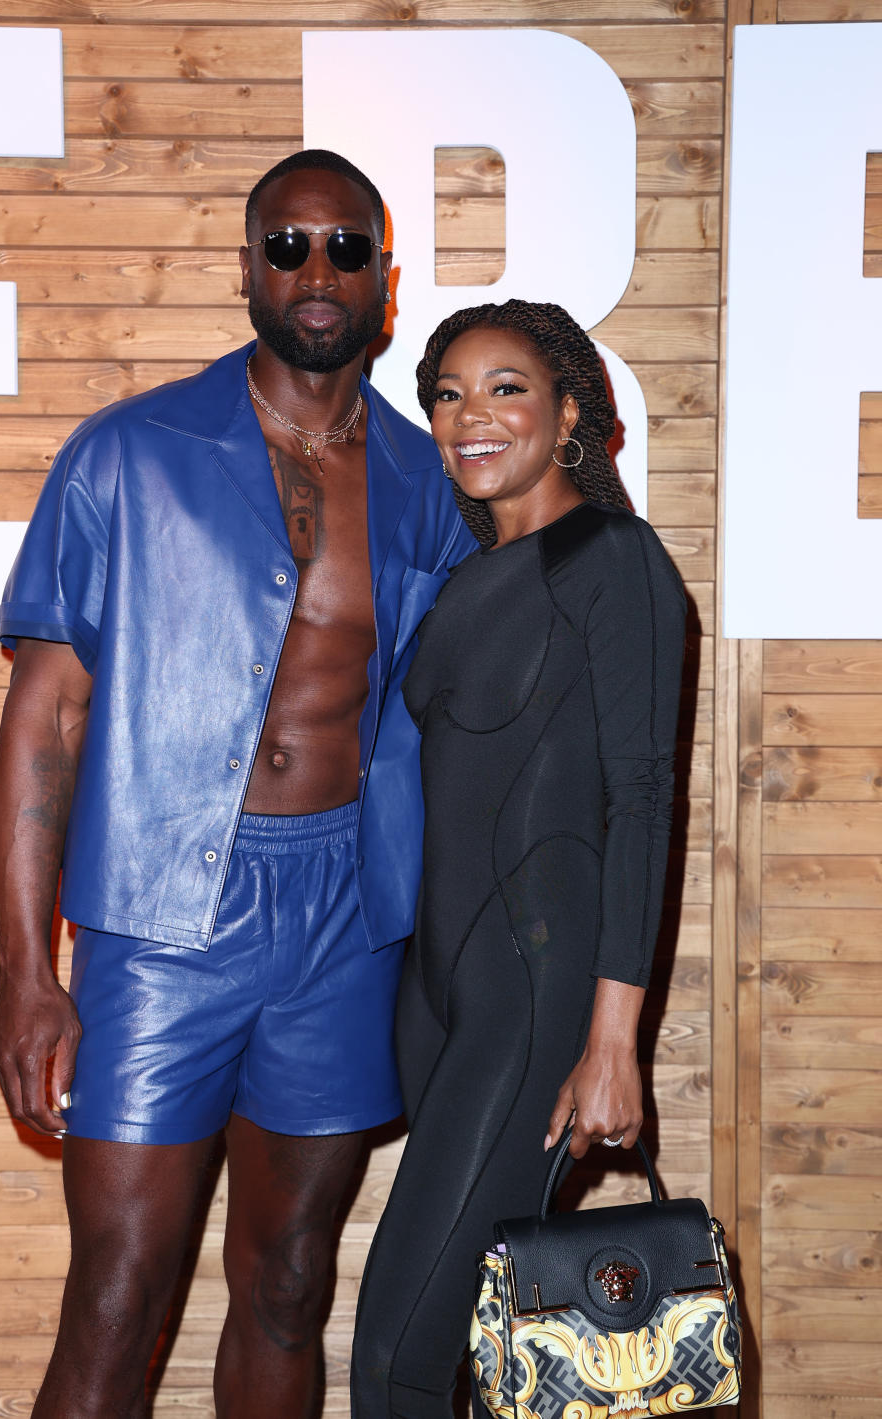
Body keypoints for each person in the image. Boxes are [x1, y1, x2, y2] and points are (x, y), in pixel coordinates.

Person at [0, 148, 477, 1419]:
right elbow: (47, 719)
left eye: (346, 249)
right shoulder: (128, 453)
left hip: (342, 924)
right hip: (159, 918)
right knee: (119, 1291)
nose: (317, 272)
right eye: (288, 246)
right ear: (248, 267)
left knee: (288, 1282)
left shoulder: (430, 483)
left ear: (384, 277)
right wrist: (29, 973)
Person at [350, 299, 688, 1418]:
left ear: (570, 412)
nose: (468, 416)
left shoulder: (614, 561)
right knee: (463, 1356)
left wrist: (612, 1041)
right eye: (447, 394)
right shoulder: (456, 582)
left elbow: (640, 802)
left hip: (535, 1009)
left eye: (505, 388)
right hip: (441, 1002)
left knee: (395, 1358)